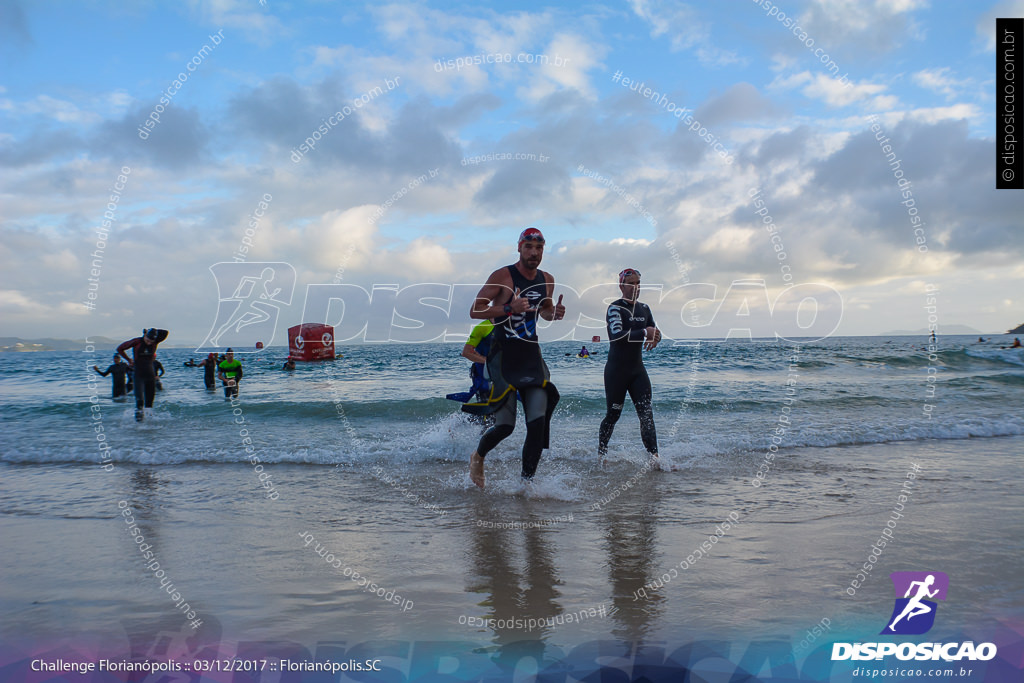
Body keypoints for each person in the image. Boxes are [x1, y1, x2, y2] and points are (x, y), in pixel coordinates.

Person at [466, 227, 565, 488]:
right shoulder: (503, 276)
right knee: (506, 426)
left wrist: (554, 313)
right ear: (519, 248)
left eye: (539, 247)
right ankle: (478, 456)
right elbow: (476, 310)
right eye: (529, 247)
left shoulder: (547, 279)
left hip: (531, 357)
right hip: (503, 358)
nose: (534, 252)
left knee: (537, 423)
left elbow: (544, 312)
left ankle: (526, 487)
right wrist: (510, 307)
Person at [598, 268, 661, 465]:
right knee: (613, 414)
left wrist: (656, 337)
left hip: (637, 371)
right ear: (621, 286)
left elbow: (653, 330)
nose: (635, 287)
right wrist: (644, 332)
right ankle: (601, 454)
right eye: (631, 283)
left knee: (646, 415)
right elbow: (617, 335)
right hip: (617, 372)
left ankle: (655, 459)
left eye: (638, 283)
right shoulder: (615, 308)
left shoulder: (645, 308)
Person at [117, 328, 169, 421]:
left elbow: (165, 332)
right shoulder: (137, 342)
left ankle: (149, 427)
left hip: (150, 375)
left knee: (149, 403)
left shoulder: (155, 341)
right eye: (148, 340)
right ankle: (138, 426)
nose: (149, 343)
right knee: (140, 401)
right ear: (145, 336)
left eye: (151, 341)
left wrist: (153, 330)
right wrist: (128, 359)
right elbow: (120, 348)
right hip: (138, 375)